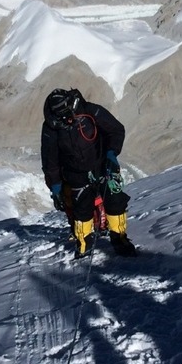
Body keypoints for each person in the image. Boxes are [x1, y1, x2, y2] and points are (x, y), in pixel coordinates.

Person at [41, 87, 137, 258]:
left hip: (102, 164)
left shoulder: (90, 111)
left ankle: (119, 239)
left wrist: (111, 153)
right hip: (75, 173)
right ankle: (83, 244)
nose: (67, 120)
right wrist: (56, 186)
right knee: (81, 209)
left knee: (114, 200)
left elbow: (116, 130)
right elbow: (50, 159)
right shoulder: (50, 127)